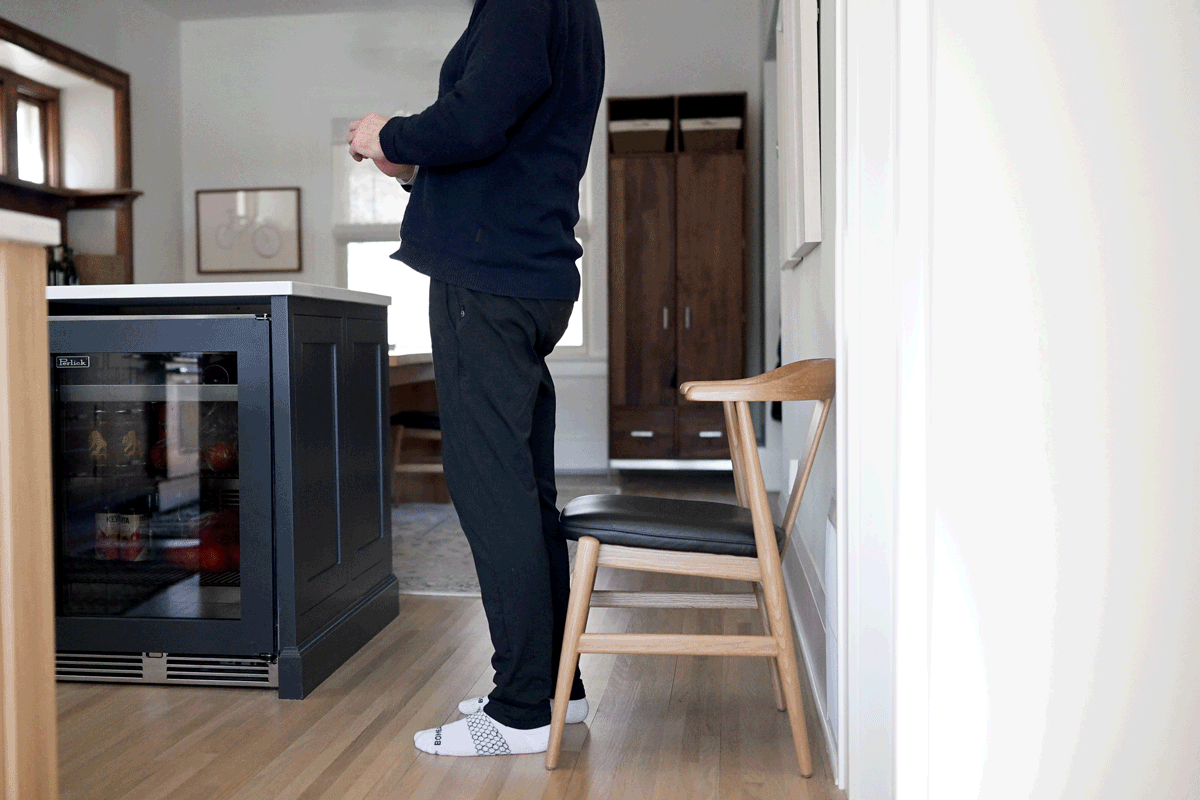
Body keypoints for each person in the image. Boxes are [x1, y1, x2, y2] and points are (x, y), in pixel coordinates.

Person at [347, 0, 605, 758]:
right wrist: (410, 164)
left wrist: (384, 135)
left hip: (490, 280)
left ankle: (524, 706)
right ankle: (559, 686)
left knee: (495, 491)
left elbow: (475, 117)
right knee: (523, 488)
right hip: (526, 272)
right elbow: (501, 140)